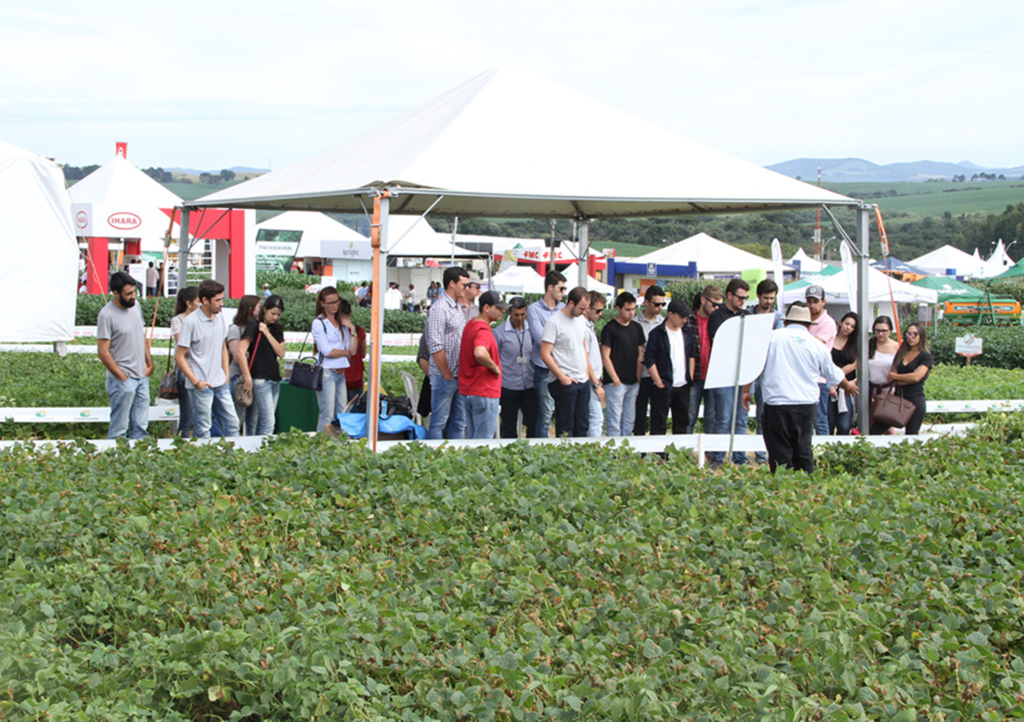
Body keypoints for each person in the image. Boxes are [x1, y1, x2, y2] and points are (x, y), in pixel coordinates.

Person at [741, 303, 858, 474]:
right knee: (803, 451)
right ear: (809, 325)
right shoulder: (816, 344)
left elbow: (753, 367)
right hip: (805, 405)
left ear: (787, 322)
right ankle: (805, 488)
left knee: (779, 453)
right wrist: (848, 387)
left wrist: (746, 391)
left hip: (776, 405)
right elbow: (834, 374)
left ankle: (782, 489)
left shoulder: (771, 338)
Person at [175, 279, 240, 438]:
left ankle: (238, 457)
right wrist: (196, 381)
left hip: (220, 381)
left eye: (222, 299)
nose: (221, 303)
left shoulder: (219, 318)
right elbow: (179, 356)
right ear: (205, 300)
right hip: (201, 384)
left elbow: (223, 347)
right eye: (217, 300)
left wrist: (225, 374)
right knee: (203, 428)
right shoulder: (190, 322)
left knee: (233, 423)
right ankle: (203, 459)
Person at [96, 271, 153, 440]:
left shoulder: (135, 306)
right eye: (128, 294)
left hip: (142, 376)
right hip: (122, 379)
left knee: (141, 426)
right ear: (115, 293)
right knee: (119, 428)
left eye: (134, 292)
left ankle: (139, 458)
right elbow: (103, 351)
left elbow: (140, 334)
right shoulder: (106, 315)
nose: (133, 297)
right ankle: (116, 460)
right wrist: (122, 376)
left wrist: (149, 363)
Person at [539, 286, 595, 437]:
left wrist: (587, 374)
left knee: (582, 425)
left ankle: (580, 458)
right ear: (571, 303)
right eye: (581, 308)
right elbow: (545, 353)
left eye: (586, 308)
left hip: (582, 380)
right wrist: (562, 377)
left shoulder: (581, 321)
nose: (584, 312)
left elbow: (583, 346)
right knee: (565, 427)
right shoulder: (554, 322)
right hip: (564, 381)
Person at [707, 279, 750, 467]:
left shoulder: (746, 315)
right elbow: (720, 343)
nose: (743, 301)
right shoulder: (717, 317)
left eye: (746, 298)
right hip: (724, 373)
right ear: (730, 295)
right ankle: (718, 457)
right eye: (740, 297)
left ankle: (740, 456)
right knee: (723, 418)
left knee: (741, 418)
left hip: (743, 373)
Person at [426, 266, 470, 439]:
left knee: (459, 421)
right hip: (445, 375)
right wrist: (446, 374)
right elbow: (435, 345)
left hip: (458, 374)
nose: (466, 289)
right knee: (439, 422)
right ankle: (434, 458)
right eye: (464, 285)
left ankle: (454, 458)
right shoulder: (439, 308)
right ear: (452, 284)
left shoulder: (457, 306)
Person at [459, 291, 508, 439]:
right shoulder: (483, 329)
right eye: (499, 307)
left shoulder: (471, 324)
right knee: (483, 443)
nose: (503, 311)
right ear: (486, 307)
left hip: (469, 389)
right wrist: (495, 367)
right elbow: (480, 352)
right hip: (484, 390)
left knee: (472, 440)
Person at [235, 295, 286, 436]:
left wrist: (267, 333)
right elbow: (241, 352)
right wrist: (247, 378)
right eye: (272, 313)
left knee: (259, 419)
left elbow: (281, 353)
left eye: (278, 315)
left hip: (274, 378)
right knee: (268, 421)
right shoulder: (253, 325)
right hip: (259, 378)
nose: (275, 317)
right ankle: (263, 450)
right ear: (264, 310)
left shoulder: (276, 329)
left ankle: (255, 447)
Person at [311, 287, 359, 432]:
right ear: (323, 304)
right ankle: (321, 445)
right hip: (326, 373)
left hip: (340, 373)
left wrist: (353, 331)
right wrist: (345, 352)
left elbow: (353, 350)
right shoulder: (319, 323)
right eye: (330, 302)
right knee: (327, 415)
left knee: (342, 414)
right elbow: (327, 351)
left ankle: (337, 446)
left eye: (336, 301)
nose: (334, 305)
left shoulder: (342, 323)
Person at [644, 299, 695, 435]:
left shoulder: (686, 332)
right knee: (659, 423)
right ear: (671, 314)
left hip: (683, 386)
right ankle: (659, 455)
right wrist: (659, 382)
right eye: (682, 317)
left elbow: (691, 356)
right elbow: (649, 359)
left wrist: (689, 377)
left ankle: (679, 454)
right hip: (664, 386)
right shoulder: (656, 334)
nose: (685, 320)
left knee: (682, 423)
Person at [873, 322, 932, 436]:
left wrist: (897, 377)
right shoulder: (901, 352)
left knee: (911, 434)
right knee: (875, 430)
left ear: (921, 335)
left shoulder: (925, 356)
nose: (910, 337)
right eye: (907, 334)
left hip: (915, 400)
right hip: (896, 399)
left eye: (914, 334)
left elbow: (916, 378)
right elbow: (890, 377)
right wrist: (905, 378)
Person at [749, 279, 786, 461]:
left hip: (767, 370)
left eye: (772, 298)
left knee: (764, 413)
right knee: (742, 412)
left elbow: (775, 341)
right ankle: (740, 453)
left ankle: (762, 453)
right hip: (749, 368)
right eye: (766, 298)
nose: (769, 302)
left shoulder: (778, 317)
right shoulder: (748, 314)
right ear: (758, 296)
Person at [527, 271, 567, 437]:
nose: (563, 292)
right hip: (544, 367)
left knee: (563, 413)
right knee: (545, 414)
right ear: (550, 287)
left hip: (563, 366)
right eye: (561, 288)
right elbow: (539, 338)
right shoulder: (534, 309)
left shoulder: (564, 309)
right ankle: (542, 451)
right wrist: (560, 337)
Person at [601, 291, 645, 437]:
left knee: (629, 420)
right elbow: (605, 356)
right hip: (616, 383)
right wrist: (615, 380)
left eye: (633, 309)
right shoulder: (610, 328)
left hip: (633, 381)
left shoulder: (637, 328)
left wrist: (638, 377)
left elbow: (640, 354)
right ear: (618, 308)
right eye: (627, 310)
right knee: (614, 421)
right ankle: (614, 452)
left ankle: (626, 452)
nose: (631, 313)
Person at [494, 296, 538, 438]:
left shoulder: (532, 329)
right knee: (508, 423)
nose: (520, 318)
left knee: (533, 422)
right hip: (508, 385)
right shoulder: (499, 332)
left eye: (523, 314)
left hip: (530, 384)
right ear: (509, 313)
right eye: (516, 315)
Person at [687, 285, 721, 435]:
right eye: (713, 303)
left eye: (719, 304)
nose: (716, 307)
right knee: (689, 415)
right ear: (703, 300)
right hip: (694, 374)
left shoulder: (720, 320)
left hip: (713, 374)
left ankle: (710, 452)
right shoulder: (689, 319)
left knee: (711, 417)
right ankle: (685, 450)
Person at [804, 284, 837, 435]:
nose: (812, 305)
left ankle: (825, 452)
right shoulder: (804, 319)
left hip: (819, 377)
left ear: (823, 302)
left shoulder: (828, 323)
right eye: (809, 301)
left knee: (819, 418)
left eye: (815, 301)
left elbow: (813, 346)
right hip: (804, 375)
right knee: (807, 419)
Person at [633, 286, 666, 435]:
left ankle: (657, 449)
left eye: (663, 304)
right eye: (656, 304)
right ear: (646, 302)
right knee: (639, 413)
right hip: (641, 374)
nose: (660, 308)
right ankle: (640, 450)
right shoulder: (635, 323)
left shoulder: (663, 323)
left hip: (659, 374)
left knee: (658, 414)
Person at [227, 295, 261, 434]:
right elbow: (237, 356)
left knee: (253, 419)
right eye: (259, 307)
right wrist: (244, 355)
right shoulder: (235, 329)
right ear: (250, 309)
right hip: (238, 378)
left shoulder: (260, 328)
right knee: (237, 418)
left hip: (255, 377)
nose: (261, 310)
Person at [171, 286, 200, 437]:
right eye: (198, 301)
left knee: (200, 414)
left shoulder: (202, 319)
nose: (201, 304)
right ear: (189, 303)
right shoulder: (178, 321)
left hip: (202, 370)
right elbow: (183, 347)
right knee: (187, 415)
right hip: (186, 370)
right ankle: (181, 444)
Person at [828, 312, 859, 435]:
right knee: (828, 423)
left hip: (846, 388)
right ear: (841, 323)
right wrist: (833, 383)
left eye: (852, 326)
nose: (848, 328)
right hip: (829, 386)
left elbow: (856, 365)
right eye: (847, 324)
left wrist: (841, 381)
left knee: (844, 425)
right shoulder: (830, 340)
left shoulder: (855, 344)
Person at [582, 291, 607, 437]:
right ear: (588, 308)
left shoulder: (589, 326)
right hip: (590, 381)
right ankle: (593, 453)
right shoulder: (584, 328)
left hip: (593, 379)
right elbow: (586, 360)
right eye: (598, 311)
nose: (600, 314)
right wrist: (596, 384)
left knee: (593, 419)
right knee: (596, 419)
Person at [867, 315, 900, 406]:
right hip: (869, 389)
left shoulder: (897, 347)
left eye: (884, 331)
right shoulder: (868, 344)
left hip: (889, 390)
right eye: (878, 330)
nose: (881, 334)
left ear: (890, 331)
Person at [343, 303, 367, 398]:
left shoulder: (335, 330)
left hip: (339, 375)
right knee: (355, 407)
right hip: (356, 376)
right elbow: (363, 354)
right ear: (350, 313)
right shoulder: (359, 330)